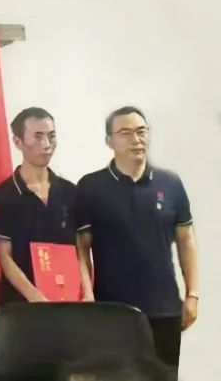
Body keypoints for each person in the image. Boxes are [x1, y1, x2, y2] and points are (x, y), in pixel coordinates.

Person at [75, 106, 199, 368]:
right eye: (126, 133)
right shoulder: (91, 187)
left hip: (164, 309)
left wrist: (192, 294)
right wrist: (87, 295)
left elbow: (186, 240)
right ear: (109, 141)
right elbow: (81, 248)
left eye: (142, 131)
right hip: (111, 311)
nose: (136, 139)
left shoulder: (170, 183)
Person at [0, 108, 82, 303]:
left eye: (51, 136)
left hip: (69, 302)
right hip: (23, 305)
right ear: (18, 142)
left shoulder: (70, 191)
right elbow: (5, 258)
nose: (47, 144)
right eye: (38, 137)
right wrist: (36, 298)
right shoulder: (3, 195)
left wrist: (86, 293)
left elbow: (80, 250)